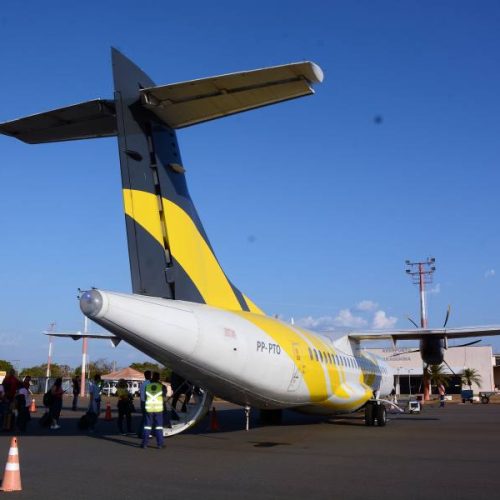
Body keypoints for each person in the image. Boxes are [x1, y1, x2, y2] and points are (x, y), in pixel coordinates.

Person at [141, 372, 164, 449]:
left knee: (147, 426)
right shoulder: (161, 386)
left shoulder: (147, 386)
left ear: (152, 377)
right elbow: (164, 395)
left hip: (149, 408)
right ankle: (160, 444)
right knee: (159, 427)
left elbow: (144, 398)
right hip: (158, 409)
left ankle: (144, 444)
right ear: (158, 378)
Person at [138, 370, 151, 437]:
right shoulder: (149, 383)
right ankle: (144, 434)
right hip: (146, 402)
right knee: (147, 419)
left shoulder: (143, 384)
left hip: (142, 402)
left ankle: (140, 432)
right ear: (149, 375)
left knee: (144, 418)